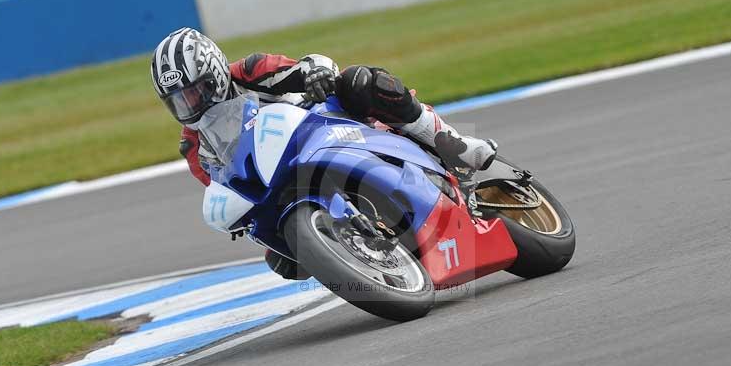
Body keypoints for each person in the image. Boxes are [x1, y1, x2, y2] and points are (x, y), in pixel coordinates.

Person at [150, 27, 498, 278]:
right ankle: (372, 261)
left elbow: (309, 64)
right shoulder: (194, 146)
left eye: (195, 92)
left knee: (360, 80)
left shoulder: (250, 72)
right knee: (283, 261)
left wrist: (317, 74)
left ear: (215, 73)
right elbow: (223, 185)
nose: (189, 104)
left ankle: (449, 142)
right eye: (178, 101)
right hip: (280, 180)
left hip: (325, 126)